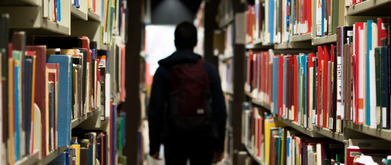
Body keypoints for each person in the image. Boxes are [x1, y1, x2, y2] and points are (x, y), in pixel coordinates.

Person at [148, 21, 227, 165]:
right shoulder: (209, 70)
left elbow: (155, 109)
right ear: (196, 42)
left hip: (173, 138)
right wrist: (219, 145)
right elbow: (220, 109)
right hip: (204, 137)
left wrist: (154, 145)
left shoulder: (163, 70)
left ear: (175, 42)